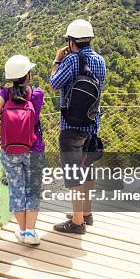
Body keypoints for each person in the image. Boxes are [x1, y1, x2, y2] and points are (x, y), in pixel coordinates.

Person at [50, 19, 106, 234]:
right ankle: (86, 213)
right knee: (88, 168)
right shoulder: (100, 61)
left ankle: (76, 222)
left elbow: (54, 84)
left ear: (72, 42)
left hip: (70, 126)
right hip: (92, 124)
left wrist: (57, 60)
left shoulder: (71, 60)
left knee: (73, 173)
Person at [0, 55, 45, 245]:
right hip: (34, 148)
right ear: (28, 74)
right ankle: (31, 231)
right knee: (33, 190)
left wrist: (3, 99)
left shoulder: (5, 93)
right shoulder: (37, 94)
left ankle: (21, 231)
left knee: (16, 190)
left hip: (10, 151)